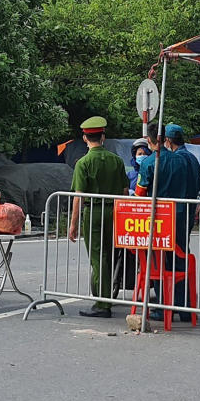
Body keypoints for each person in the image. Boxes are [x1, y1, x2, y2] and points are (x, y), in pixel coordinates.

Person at [135, 122, 200, 320]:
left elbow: (140, 194)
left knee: (159, 264)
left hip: (159, 222)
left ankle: (164, 307)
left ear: (149, 140)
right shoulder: (181, 161)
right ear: (164, 139)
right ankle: (184, 309)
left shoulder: (149, 163)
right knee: (180, 261)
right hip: (181, 218)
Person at [68, 116, 128, 318]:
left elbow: (79, 197)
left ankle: (102, 304)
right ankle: (106, 296)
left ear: (85, 138)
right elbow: (125, 191)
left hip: (94, 213)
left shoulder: (83, 163)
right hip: (116, 212)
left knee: (97, 257)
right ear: (103, 137)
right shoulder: (117, 161)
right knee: (110, 256)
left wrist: (73, 224)